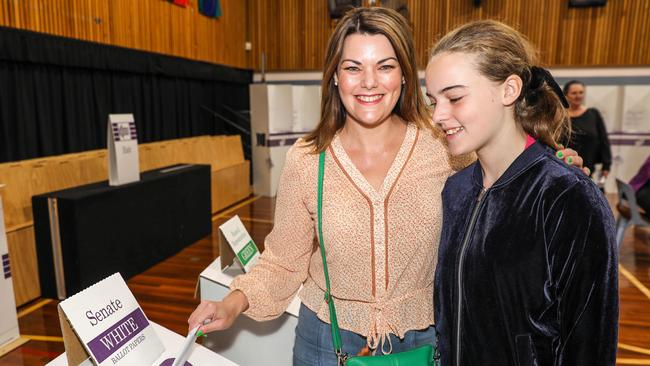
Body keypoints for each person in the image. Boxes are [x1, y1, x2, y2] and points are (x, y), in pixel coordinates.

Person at [188, 8, 586, 365]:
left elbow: (508, 174)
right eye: (352, 67)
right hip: (326, 344)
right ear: (334, 76)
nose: (369, 83)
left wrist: (553, 168)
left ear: (404, 74)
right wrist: (233, 303)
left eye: (385, 66)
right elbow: (284, 260)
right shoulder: (308, 158)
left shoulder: (445, 146)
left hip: (424, 339)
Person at [427, 20, 618, 365]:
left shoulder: (567, 196)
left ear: (509, 89)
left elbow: (589, 345)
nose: (439, 115)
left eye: (454, 97)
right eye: (433, 100)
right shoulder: (455, 190)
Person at [563, 80, 612, 178]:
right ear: (566, 95)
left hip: (587, 171)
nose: (578, 96)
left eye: (581, 92)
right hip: (564, 169)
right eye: (574, 93)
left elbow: (603, 139)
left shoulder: (593, 114)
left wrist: (606, 165)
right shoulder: (560, 115)